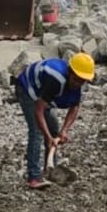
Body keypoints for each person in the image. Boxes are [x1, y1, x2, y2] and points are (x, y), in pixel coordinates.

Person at [14, 53, 96, 190]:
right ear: (70, 72)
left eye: (82, 81)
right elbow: (39, 110)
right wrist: (48, 137)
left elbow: (75, 107)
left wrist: (64, 131)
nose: (78, 84)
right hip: (28, 88)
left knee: (54, 129)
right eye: (76, 80)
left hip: (46, 94)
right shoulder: (55, 79)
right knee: (37, 131)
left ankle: (51, 170)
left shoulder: (80, 84)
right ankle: (34, 177)